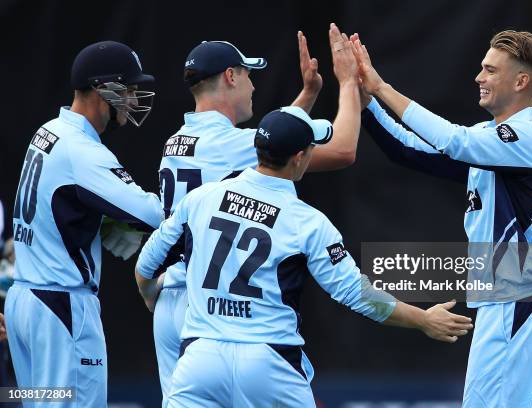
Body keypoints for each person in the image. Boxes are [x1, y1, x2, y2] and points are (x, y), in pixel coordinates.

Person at [136, 105, 473, 407]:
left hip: (200, 360)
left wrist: (150, 293)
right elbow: (358, 294)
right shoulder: (308, 222)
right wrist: (423, 319)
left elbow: (147, 262)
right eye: (311, 148)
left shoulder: (202, 197)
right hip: (269, 365)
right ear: (299, 157)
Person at [151, 23, 364, 405]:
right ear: (230, 77)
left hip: (175, 302)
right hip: (215, 312)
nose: (253, 85)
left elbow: (276, 138)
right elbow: (343, 149)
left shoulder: (177, 140)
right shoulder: (234, 145)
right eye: (248, 74)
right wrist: (347, 83)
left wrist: (308, 95)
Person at [352, 30, 532, 406]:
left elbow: (453, 140)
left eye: (490, 70)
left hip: (519, 291)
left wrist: (381, 86)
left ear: (521, 81)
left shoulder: (527, 136)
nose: (478, 77)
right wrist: (366, 101)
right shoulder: (492, 139)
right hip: (509, 294)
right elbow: (408, 150)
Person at [4, 41, 164, 408]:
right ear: (101, 88)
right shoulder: (83, 150)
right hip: (62, 306)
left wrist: (102, 223)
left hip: (25, 301)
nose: (133, 96)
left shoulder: (48, 130)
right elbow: (151, 213)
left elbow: (60, 203)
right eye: (127, 87)